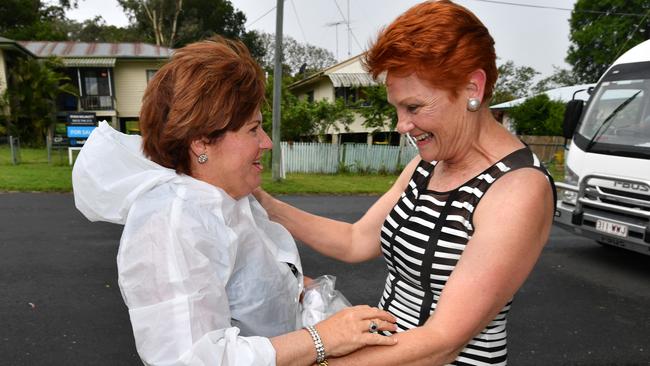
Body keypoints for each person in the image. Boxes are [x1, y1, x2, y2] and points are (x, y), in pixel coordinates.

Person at [253, 1, 556, 365]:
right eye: (397, 108)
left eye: (414, 107)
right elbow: (356, 241)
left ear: (472, 87)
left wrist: (312, 361)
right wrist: (265, 205)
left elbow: (441, 341)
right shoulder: (426, 166)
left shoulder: (518, 189)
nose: (401, 125)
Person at [72, 36, 397, 366]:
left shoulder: (228, 197)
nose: (267, 142)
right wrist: (322, 338)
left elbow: (253, 282)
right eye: (254, 129)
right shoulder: (171, 224)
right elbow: (191, 359)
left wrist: (305, 294)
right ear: (202, 142)